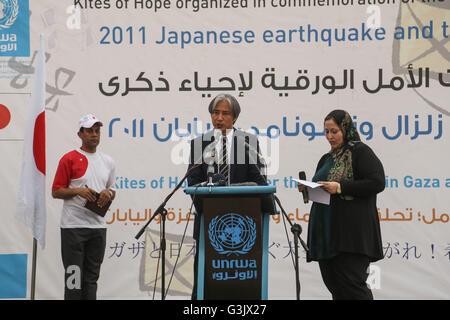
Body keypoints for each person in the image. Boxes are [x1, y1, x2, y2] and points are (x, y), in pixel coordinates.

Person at [187, 93, 273, 299]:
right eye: (215, 113)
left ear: (234, 118)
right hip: (209, 222)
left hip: (244, 223)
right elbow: (192, 182)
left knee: (241, 283)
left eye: (225, 113)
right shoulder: (200, 143)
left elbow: (258, 180)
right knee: (205, 280)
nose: (219, 118)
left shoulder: (248, 142)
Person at [297, 109, 384, 300]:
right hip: (327, 236)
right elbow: (326, 192)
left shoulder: (360, 151)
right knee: (338, 290)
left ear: (345, 129)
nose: (330, 136)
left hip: (351, 236)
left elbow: (377, 182)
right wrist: (309, 190)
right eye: (326, 131)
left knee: (353, 287)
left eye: (334, 131)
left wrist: (339, 188)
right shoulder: (326, 158)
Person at [52, 114, 116, 300]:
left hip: (97, 228)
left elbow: (113, 190)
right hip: (73, 228)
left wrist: (108, 193)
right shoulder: (69, 159)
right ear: (80, 134)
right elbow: (56, 191)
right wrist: (77, 191)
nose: (94, 135)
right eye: (89, 131)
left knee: (91, 280)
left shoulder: (108, 161)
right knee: (74, 280)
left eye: (97, 131)